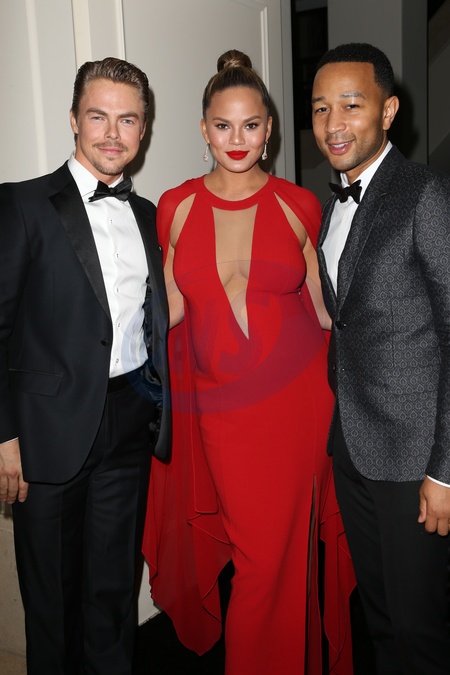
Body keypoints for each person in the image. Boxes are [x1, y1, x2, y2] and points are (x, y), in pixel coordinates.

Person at [143, 49, 354, 675]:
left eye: (251, 125)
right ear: (204, 130)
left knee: (270, 564)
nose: (237, 139)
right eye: (223, 125)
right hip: (221, 412)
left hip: (298, 407)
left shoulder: (299, 204)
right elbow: (167, 311)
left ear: (270, 130)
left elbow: (325, 311)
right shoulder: (175, 207)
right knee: (264, 558)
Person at [0, 57, 171, 675]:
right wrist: (3, 436)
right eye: (98, 116)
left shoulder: (150, 216)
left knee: (113, 592)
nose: (112, 134)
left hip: (129, 422)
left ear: (143, 129)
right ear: (74, 119)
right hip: (44, 432)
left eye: (128, 120)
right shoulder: (21, 203)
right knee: (53, 603)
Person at [312, 42, 450, 675]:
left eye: (351, 104)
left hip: (417, 457)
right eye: (321, 108)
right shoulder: (329, 205)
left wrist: (445, 472)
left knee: (421, 629)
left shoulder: (426, 194)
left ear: (388, 111)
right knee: (382, 621)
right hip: (352, 444)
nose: (333, 124)